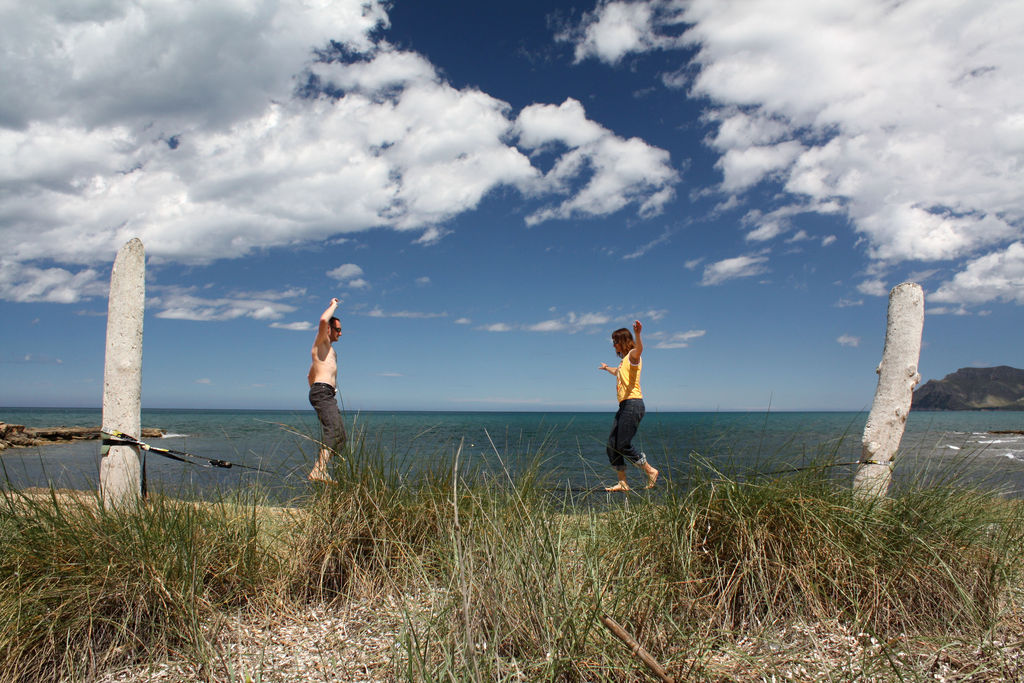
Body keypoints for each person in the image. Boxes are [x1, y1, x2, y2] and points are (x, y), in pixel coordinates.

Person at [598, 319, 658, 491]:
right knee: (612, 446)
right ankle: (623, 483)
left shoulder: (633, 355)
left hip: (633, 404)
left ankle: (650, 471)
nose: (614, 345)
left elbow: (639, 350)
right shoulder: (623, 362)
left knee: (623, 444)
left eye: (616, 341)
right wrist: (606, 368)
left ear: (623, 341)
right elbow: (617, 372)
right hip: (624, 406)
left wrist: (638, 334)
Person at [307, 298, 347, 482]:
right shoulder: (321, 342)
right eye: (338, 329)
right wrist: (334, 305)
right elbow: (323, 320)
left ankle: (323, 468)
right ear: (329, 330)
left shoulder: (328, 351)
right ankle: (318, 470)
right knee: (332, 430)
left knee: (341, 436)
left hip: (325, 393)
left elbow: (310, 375)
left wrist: (321, 391)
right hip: (322, 392)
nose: (341, 333)